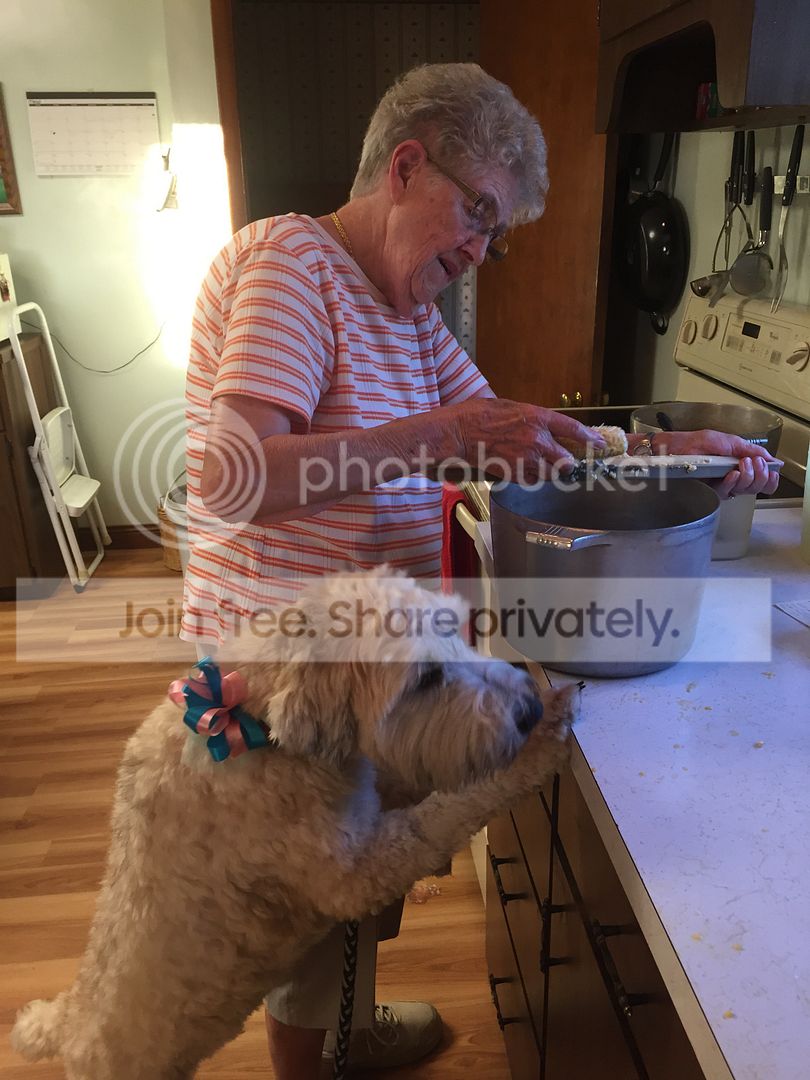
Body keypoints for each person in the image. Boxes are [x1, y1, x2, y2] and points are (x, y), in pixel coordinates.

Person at [180, 62, 777, 1080]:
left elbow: (526, 443)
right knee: (308, 933)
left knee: (357, 894)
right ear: (407, 166)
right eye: (478, 214)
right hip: (290, 682)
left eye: (495, 236)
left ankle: (352, 1031)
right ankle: (324, 1049)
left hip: (369, 671)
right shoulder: (292, 264)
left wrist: (675, 456)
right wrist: (447, 433)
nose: (479, 251)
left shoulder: (410, 316)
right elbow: (233, 477)